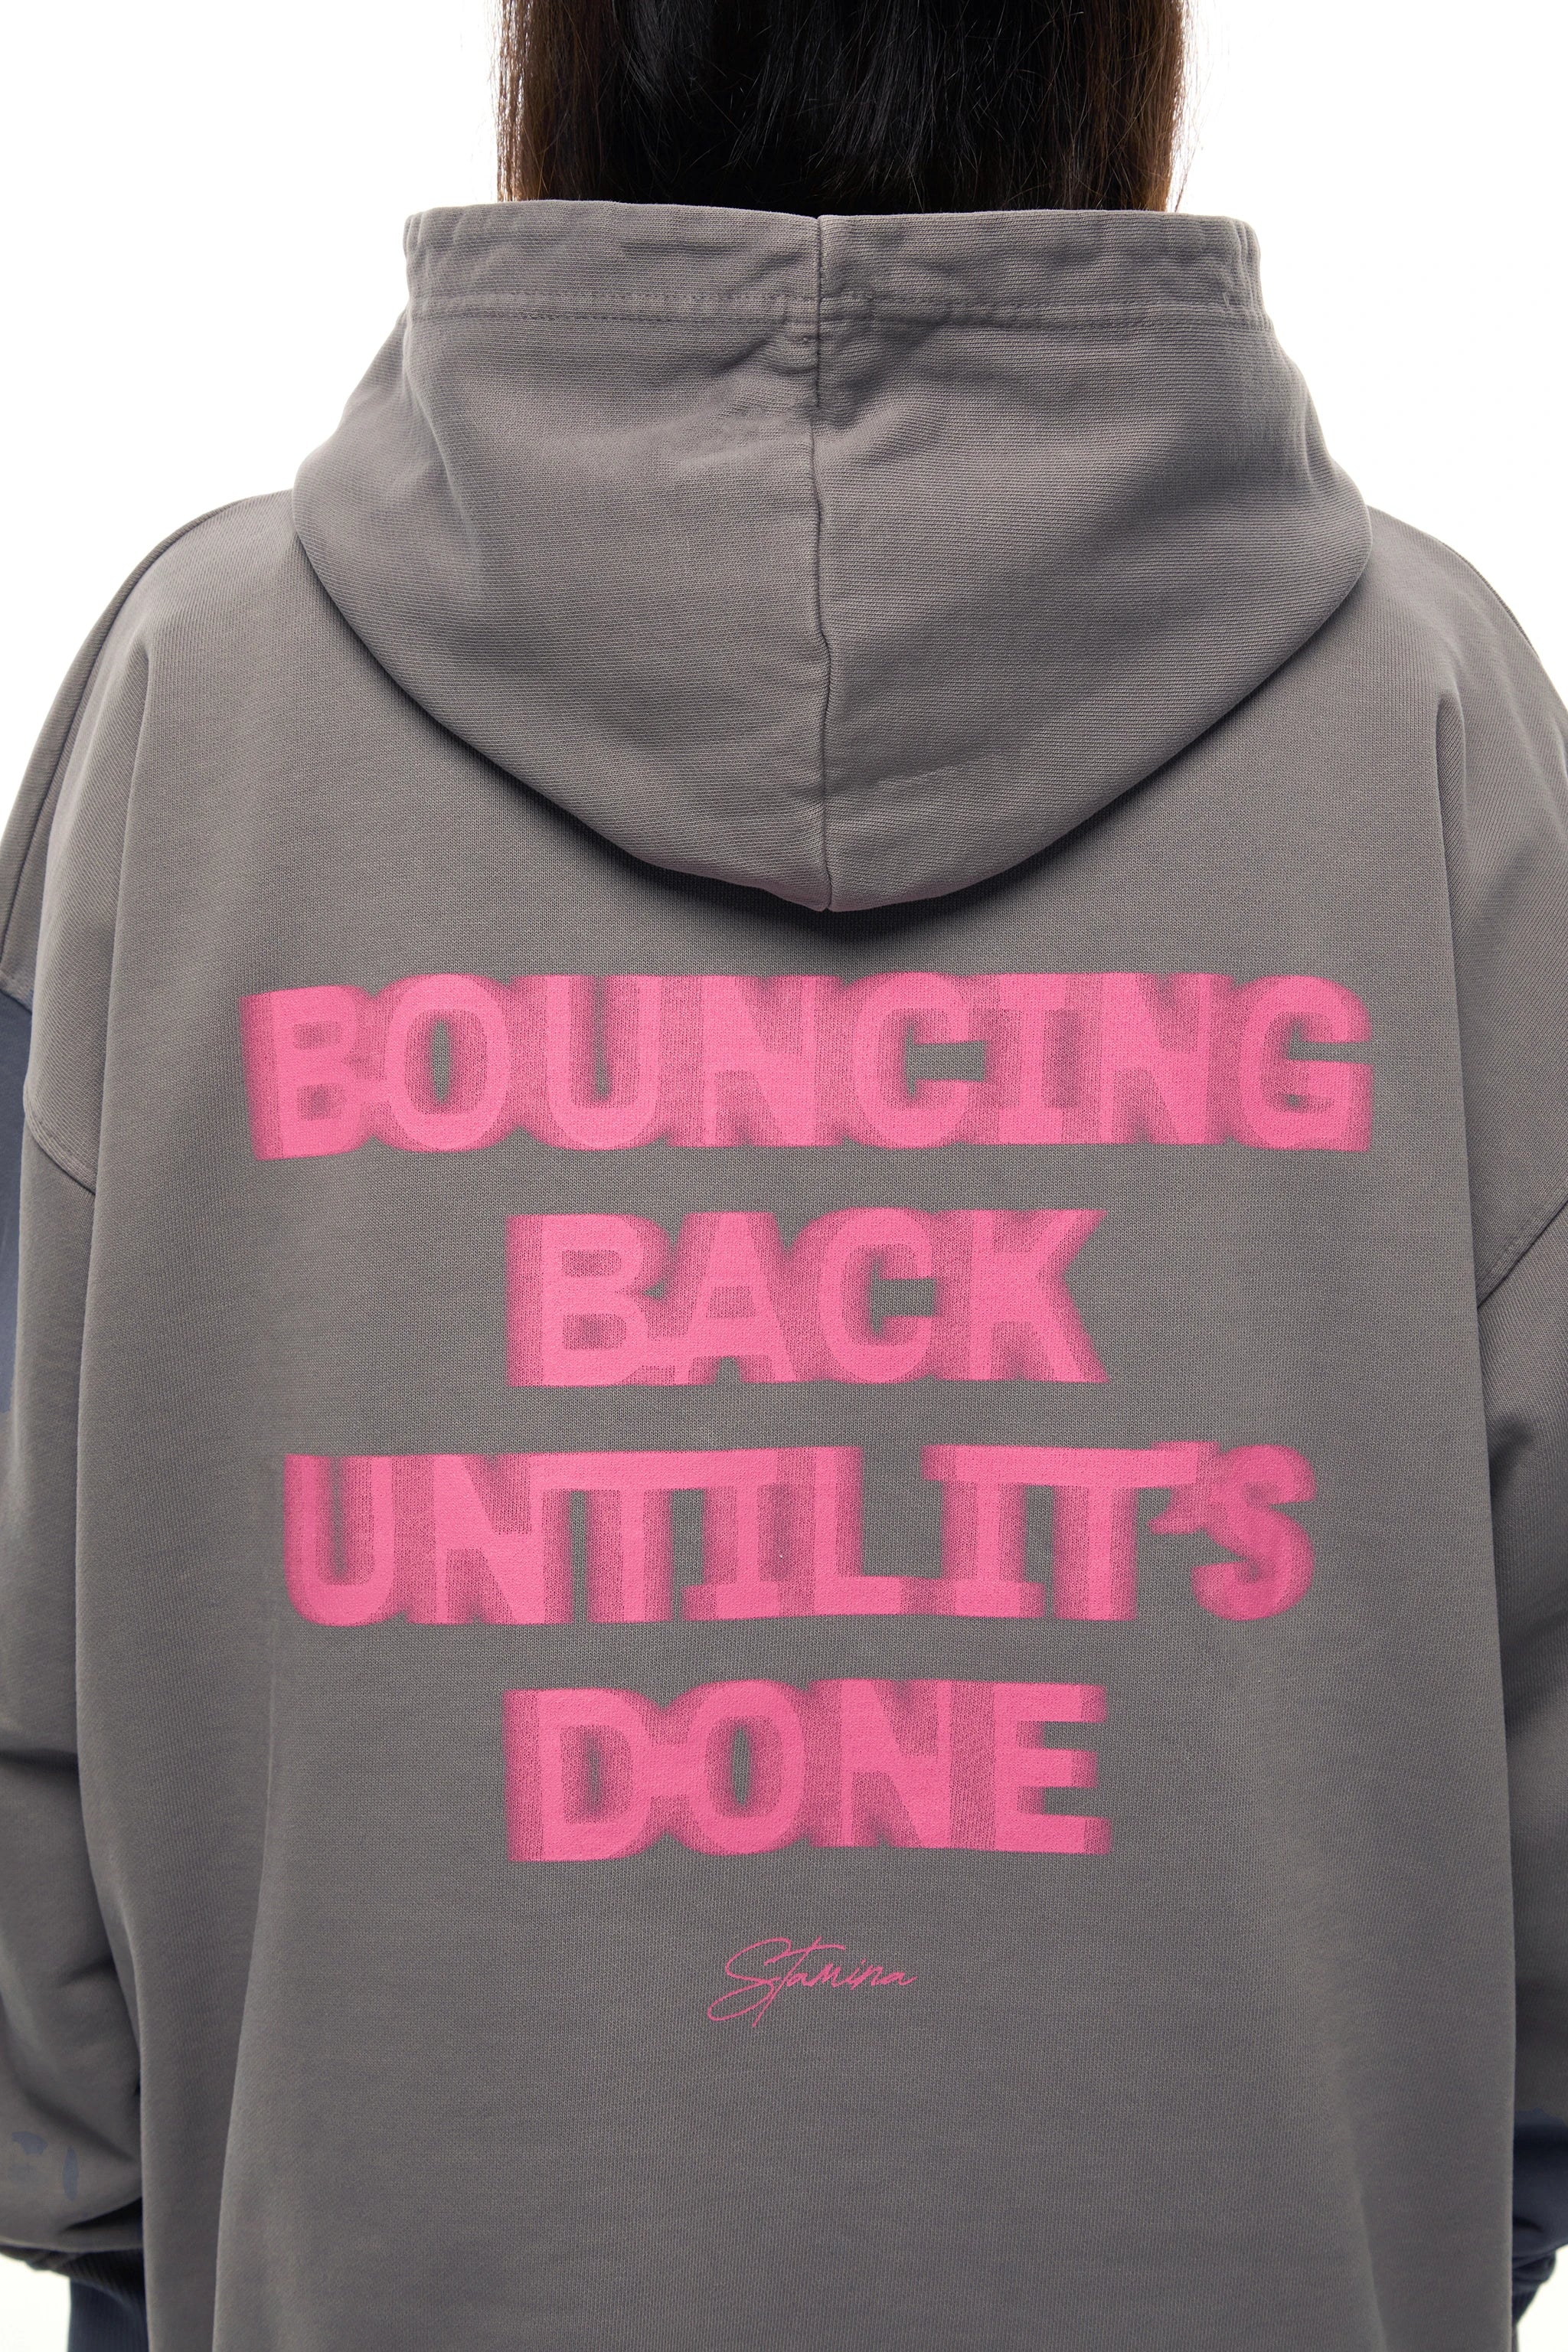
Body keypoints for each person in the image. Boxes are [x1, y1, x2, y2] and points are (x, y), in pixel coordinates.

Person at [2, 3, 1566, 2347]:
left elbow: (27, 1616)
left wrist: (130, 2211)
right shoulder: (1434, 711)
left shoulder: (191, 697)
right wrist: (1450, 2213)